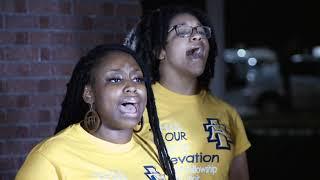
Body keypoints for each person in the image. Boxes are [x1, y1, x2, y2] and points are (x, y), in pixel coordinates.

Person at [124, 5, 251, 180]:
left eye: (201, 31)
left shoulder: (227, 114)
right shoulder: (134, 109)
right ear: (160, 51)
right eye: (182, 31)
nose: (197, 36)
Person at [16, 44, 176, 180]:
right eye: (115, 79)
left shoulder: (153, 149)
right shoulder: (50, 158)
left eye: (138, 79)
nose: (132, 86)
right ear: (89, 94)